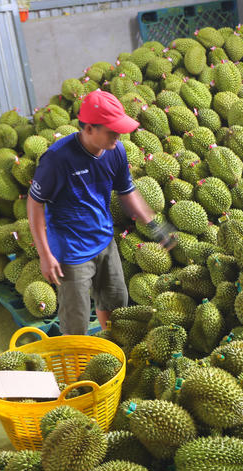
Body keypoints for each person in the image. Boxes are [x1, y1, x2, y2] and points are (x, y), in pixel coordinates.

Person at [28, 89, 176, 336]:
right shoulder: (56, 159)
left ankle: (110, 348)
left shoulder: (115, 150)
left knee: (116, 305)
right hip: (71, 251)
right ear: (88, 129)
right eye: (111, 131)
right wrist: (45, 254)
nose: (117, 136)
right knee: (76, 321)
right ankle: (75, 368)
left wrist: (153, 224)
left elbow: (126, 191)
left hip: (105, 241)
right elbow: (35, 204)